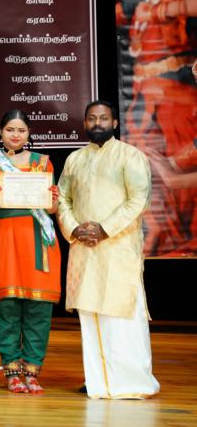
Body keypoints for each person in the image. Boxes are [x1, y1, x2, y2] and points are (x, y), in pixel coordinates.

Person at [57, 100, 160, 399]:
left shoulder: (130, 156)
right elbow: (62, 198)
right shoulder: (75, 159)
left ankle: (133, 383)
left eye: (103, 118)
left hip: (117, 248)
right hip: (84, 250)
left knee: (122, 315)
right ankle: (99, 381)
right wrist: (74, 229)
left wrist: (104, 229)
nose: (97, 123)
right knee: (91, 315)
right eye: (92, 118)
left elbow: (139, 199)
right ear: (85, 123)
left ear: (114, 123)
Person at [116, 0, 197, 256]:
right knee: (145, 172)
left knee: (179, 171)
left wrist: (168, 10)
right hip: (142, 101)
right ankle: (153, 243)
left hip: (178, 103)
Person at [0, 110, 60, 394]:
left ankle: (33, 369)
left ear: (29, 134)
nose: (15, 135)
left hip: (36, 239)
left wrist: (53, 200)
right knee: (7, 306)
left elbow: (52, 209)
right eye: (10, 130)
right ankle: (12, 369)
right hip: (3, 238)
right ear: (0, 132)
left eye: (21, 130)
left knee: (38, 307)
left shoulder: (42, 162)